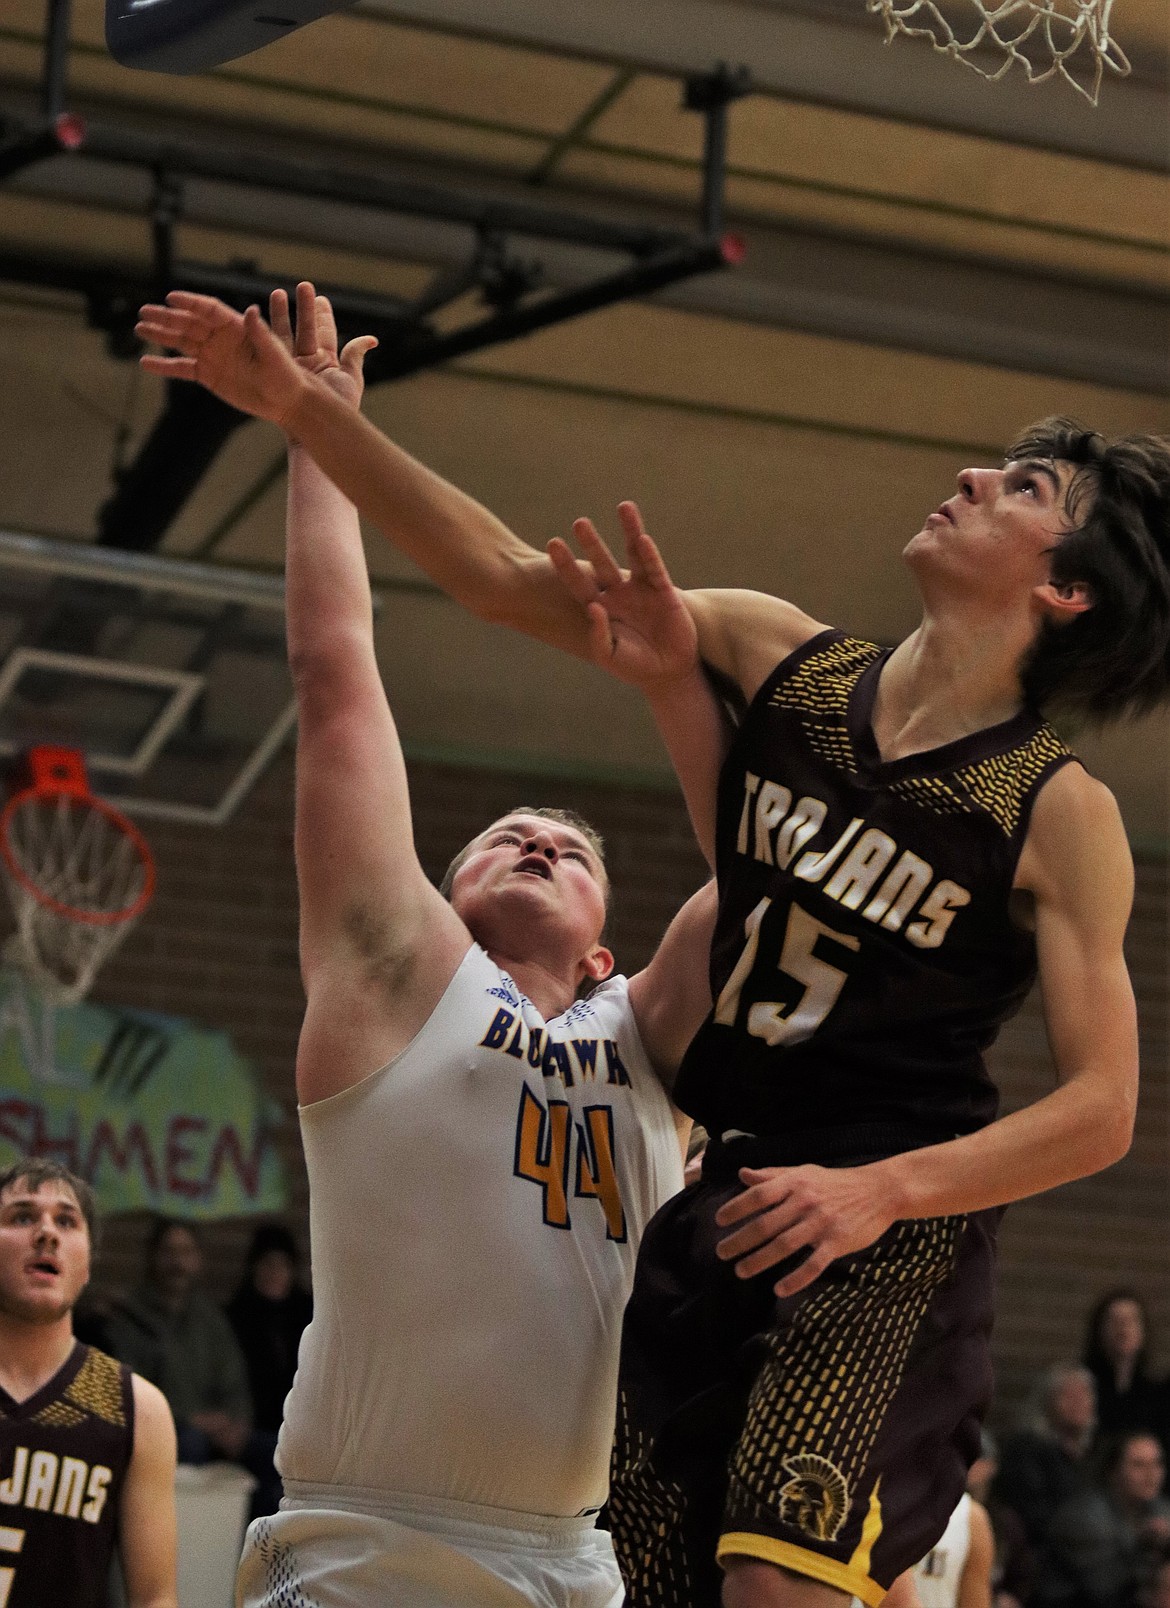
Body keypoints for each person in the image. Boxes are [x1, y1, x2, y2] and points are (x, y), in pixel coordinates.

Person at [132, 286, 1169, 1608]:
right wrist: (310, 423)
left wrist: (885, 1192)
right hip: (724, 1206)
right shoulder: (774, 652)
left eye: (1020, 486)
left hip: (881, 1224)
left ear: (1065, 589)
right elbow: (497, 581)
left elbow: (1102, 1111)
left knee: (776, 1588)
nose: (970, 474)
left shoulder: (1057, 814)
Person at [137, 286, 718, 1608]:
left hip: (572, 1563)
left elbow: (768, 852)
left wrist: (683, 680)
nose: (536, 840)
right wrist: (313, 435)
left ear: (601, 949)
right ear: (440, 897)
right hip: (360, 1546)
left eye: (570, 847)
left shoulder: (652, 1032)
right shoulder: (400, 984)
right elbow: (334, 671)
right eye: (504, 836)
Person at [0, 1157, 177, 1608]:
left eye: (66, 1221)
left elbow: (155, 1597)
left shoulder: (136, 1408)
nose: (46, 1233)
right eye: (22, 1216)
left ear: (88, 1267)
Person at [105, 1217, 253, 1469]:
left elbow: (234, 1383)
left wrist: (237, 1423)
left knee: (271, 1452)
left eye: (186, 1252)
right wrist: (191, 1419)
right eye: (169, 1252)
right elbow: (130, 1395)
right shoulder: (128, 1319)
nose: (178, 1262)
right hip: (161, 1432)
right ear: (153, 1257)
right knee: (190, 1442)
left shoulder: (210, 1319)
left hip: (215, 1430)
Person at [225, 1223, 312, 1514]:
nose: (275, 1273)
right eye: (268, 1264)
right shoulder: (236, 1317)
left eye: (283, 1265)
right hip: (254, 1428)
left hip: (301, 1426)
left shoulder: (307, 1315)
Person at [1036, 1431, 1170, 1608]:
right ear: (1113, 1471)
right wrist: (1144, 1544)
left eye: (1157, 1464)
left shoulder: (1160, 1508)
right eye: (1139, 1465)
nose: (1151, 1474)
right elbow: (1105, 1587)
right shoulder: (1082, 1517)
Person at [996, 1365, 1099, 1551]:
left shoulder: (1093, 1454)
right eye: (1068, 1396)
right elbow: (1033, 1515)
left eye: (1084, 1395)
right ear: (1047, 1402)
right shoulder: (1026, 1449)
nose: (1078, 1403)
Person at [1083, 1293, 1165, 1446]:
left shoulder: (1159, 1393)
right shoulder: (1084, 1387)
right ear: (1099, 1329)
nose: (1123, 1327)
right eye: (1114, 1320)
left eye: (1131, 1320)